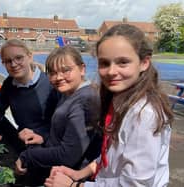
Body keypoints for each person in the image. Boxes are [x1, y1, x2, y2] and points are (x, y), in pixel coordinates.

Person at [45, 24, 174, 187]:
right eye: (105, 63)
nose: (112, 71)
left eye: (123, 62)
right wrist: (80, 173)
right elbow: (111, 155)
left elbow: (135, 184)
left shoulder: (144, 114)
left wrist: (74, 185)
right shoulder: (119, 100)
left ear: (144, 62)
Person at [15, 46, 101, 186]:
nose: (59, 77)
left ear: (82, 69)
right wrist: (43, 138)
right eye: (53, 73)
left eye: (66, 70)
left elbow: (68, 155)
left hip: (71, 179)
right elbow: (64, 134)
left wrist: (27, 157)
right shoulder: (67, 94)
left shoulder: (86, 100)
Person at [0, 39, 60, 151]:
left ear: (29, 56)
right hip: (24, 144)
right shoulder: (9, 83)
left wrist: (40, 134)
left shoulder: (50, 83)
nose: (14, 64)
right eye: (8, 61)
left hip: (49, 145)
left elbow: (61, 122)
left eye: (18, 58)